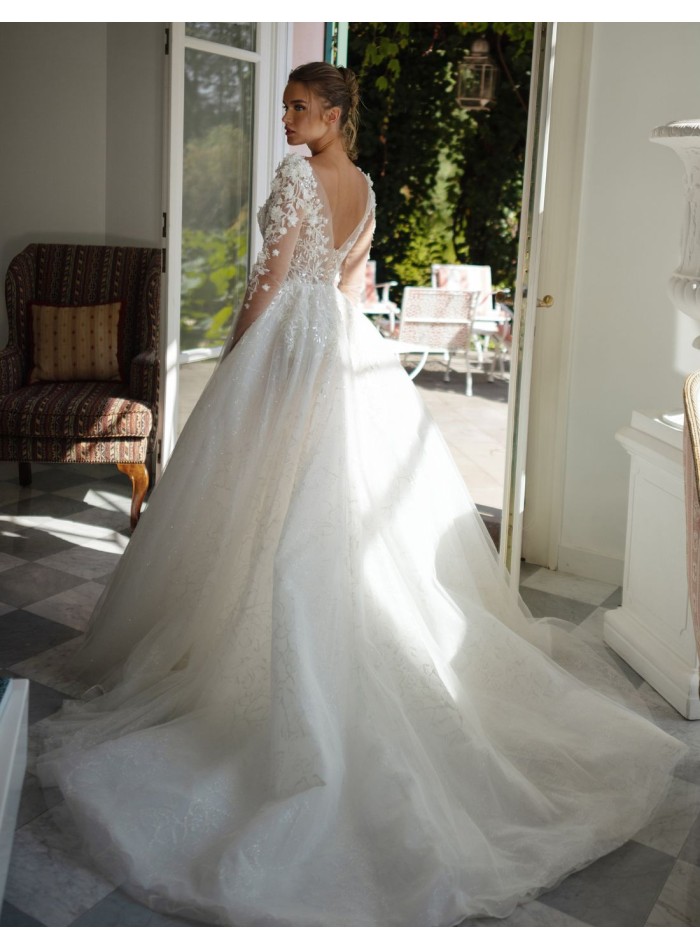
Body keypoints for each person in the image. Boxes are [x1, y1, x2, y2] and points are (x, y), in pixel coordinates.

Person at [36, 62, 685, 927]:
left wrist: (237, 353)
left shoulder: (297, 176)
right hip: (342, 343)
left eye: (300, 107)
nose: (286, 118)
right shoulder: (364, 184)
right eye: (284, 105)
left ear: (334, 115)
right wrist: (344, 347)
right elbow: (351, 282)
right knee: (320, 503)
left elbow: (268, 282)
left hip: (291, 342)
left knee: (267, 498)